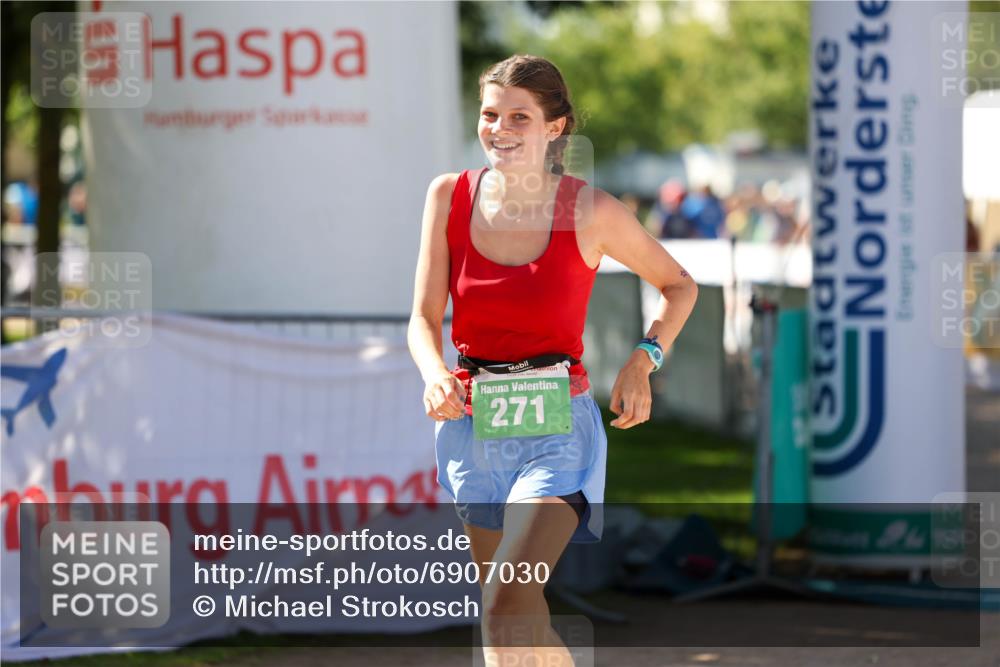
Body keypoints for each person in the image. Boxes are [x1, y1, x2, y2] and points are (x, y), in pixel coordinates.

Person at [407, 54, 698, 666]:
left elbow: (679, 285)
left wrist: (643, 360)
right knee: (520, 612)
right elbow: (424, 319)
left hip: (557, 431)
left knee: (503, 603)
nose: (500, 129)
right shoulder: (447, 196)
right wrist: (435, 374)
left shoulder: (590, 210)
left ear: (555, 127)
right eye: (490, 115)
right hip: (472, 426)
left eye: (519, 116)